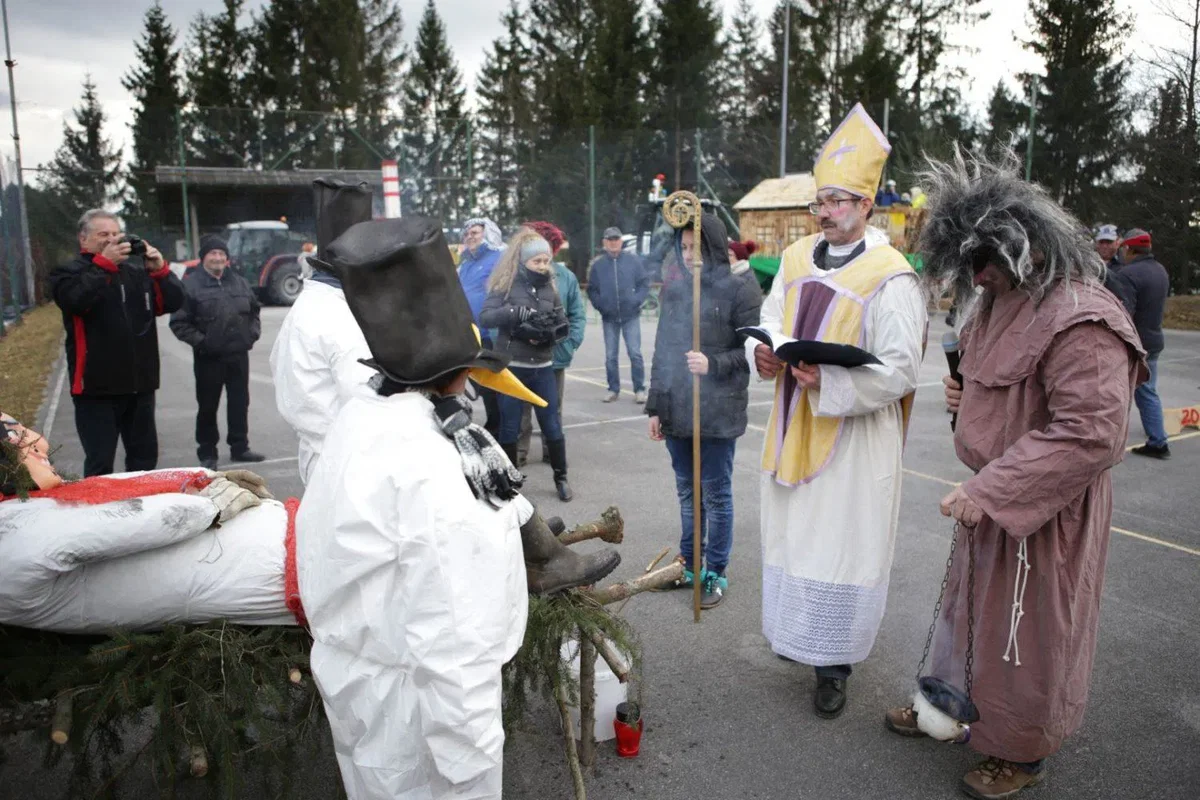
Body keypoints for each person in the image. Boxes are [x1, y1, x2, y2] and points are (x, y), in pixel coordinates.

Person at [297, 215, 617, 800]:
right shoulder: (432, 466)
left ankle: (532, 547)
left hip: (361, 684)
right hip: (418, 712)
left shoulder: (360, 417)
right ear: (461, 374)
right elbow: (453, 636)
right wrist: (469, 757)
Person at [884, 151, 1144, 800]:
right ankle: (948, 707)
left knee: (1029, 635)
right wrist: (962, 401)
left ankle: (1022, 751)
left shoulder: (1084, 315)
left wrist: (993, 488)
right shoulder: (998, 300)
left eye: (984, 260)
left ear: (1024, 245)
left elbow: (1091, 432)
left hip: (1045, 513)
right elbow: (994, 387)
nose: (977, 276)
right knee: (969, 614)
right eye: (968, 264)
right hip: (988, 502)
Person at [751, 104, 928, 719]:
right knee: (795, 534)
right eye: (819, 201)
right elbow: (771, 318)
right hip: (791, 422)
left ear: (866, 205)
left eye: (836, 201)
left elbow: (901, 367)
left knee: (838, 542)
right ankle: (796, 636)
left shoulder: (891, 276)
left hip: (851, 437)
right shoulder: (796, 258)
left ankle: (834, 665)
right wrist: (762, 354)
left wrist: (830, 380)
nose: (824, 212)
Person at [0, 409, 292, 633]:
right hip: (275, 567)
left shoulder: (28, 501)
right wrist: (212, 503)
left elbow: (117, 486)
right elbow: (139, 520)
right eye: (20, 439)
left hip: (277, 547)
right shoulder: (11, 537)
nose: (40, 444)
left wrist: (203, 478)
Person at [647, 214, 762, 609]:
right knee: (687, 493)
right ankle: (690, 563)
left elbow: (751, 353)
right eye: (683, 247)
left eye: (695, 247)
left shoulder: (740, 289)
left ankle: (716, 570)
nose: (688, 255)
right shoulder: (675, 289)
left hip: (718, 412)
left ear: (713, 246)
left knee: (715, 494)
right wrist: (655, 407)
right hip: (677, 408)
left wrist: (713, 363)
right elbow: (663, 351)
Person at [48, 209, 185, 476]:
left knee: (144, 462)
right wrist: (103, 265)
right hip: (95, 389)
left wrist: (160, 270)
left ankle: (140, 503)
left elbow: (173, 302)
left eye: (115, 234)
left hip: (140, 385)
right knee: (100, 465)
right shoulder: (69, 273)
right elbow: (76, 301)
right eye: (103, 234)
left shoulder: (134, 273)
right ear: (83, 239)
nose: (111, 239)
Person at [271, 178, 376, 485]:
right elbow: (365, 396)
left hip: (318, 450)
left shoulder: (309, 304)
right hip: (344, 458)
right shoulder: (338, 318)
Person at [480, 230, 575, 501]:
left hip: (543, 366)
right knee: (510, 427)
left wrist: (550, 334)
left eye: (546, 261)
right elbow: (485, 317)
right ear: (523, 261)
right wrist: (514, 314)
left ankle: (561, 477)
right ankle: (510, 483)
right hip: (512, 367)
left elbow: (563, 321)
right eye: (537, 261)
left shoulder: (550, 286)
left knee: (552, 425)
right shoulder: (505, 284)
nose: (542, 266)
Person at [169, 235, 264, 470]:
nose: (218, 258)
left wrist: (251, 335)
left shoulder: (239, 282)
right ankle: (207, 452)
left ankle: (240, 447)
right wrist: (203, 343)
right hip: (208, 358)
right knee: (208, 406)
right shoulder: (191, 285)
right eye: (213, 253)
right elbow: (179, 323)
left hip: (238, 355)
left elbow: (254, 311)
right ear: (203, 258)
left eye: (222, 254)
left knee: (240, 403)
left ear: (227, 258)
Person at [516, 221, 586, 467]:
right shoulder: (515, 277)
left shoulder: (566, 277)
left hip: (555, 356)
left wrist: (571, 342)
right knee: (521, 408)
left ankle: (552, 451)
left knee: (552, 408)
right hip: (522, 356)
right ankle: (520, 452)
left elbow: (577, 314)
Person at [1111, 228, 1172, 459]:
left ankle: (1157, 442)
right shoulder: (1160, 270)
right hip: (1155, 339)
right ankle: (1156, 438)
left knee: (1122, 393)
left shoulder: (1128, 274)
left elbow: (1124, 314)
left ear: (1128, 248)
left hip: (1136, 343)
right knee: (1148, 390)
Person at [587, 226, 649, 404]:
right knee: (611, 356)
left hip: (631, 316)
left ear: (621, 241)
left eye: (616, 239)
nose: (613, 243)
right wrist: (601, 306)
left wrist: (637, 300)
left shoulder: (633, 261)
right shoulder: (598, 266)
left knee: (635, 353)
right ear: (604, 243)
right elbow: (592, 290)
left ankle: (639, 389)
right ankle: (613, 389)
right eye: (610, 240)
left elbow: (644, 283)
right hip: (609, 318)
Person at [457, 217, 507, 434]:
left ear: (488, 234)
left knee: (499, 382)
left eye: (475, 233)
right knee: (484, 383)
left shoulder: (500, 257)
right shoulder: (466, 263)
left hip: (493, 333)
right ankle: (495, 422)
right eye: (467, 234)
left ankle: (505, 426)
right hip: (472, 333)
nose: (470, 237)